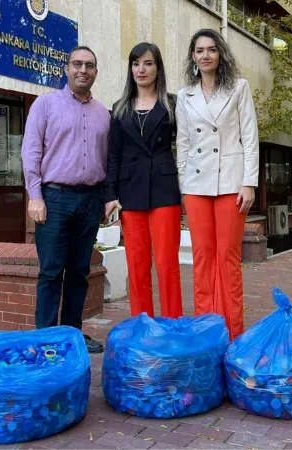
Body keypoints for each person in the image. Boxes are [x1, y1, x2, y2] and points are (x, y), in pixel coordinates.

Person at [21, 46, 110, 353]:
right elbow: (31, 151)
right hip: (54, 197)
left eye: (89, 65)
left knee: (79, 270)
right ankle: (45, 337)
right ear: (66, 68)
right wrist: (35, 196)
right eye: (77, 64)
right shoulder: (45, 105)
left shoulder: (103, 114)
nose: (82, 70)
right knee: (51, 270)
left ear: (96, 72)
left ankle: (72, 333)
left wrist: (107, 198)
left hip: (90, 200)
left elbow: (108, 160)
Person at [175, 29, 259, 340]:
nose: (206, 55)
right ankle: (206, 331)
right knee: (202, 258)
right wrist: (184, 185)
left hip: (232, 184)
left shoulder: (238, 87)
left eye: (211, 49)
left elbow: (250, 137)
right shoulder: (185, 95)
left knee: (228, 258)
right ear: (193, 57)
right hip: (197, 185)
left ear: (220, 54)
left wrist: (249, 182)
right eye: (199, 50)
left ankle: (233, 332)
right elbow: (183, 143)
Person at [104, 42, 183, 319]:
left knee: (167, 264)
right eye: (136, 64)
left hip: (164, 190)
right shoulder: (120, 107)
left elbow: (187, 146)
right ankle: (142, 327)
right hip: (130, 192)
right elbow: (113, 155)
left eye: (148, 63)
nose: (141, 69)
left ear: (158, 68)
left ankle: (173, 325)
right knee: (137, 265)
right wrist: (111, 195)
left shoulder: (172, 104)